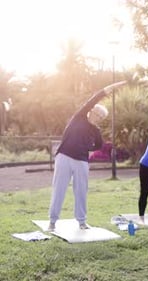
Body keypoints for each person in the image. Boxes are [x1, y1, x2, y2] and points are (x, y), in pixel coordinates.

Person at [48, 81, 127, 231]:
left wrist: (87, 147)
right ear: (90, 111)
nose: (97, 117)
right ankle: (52, 222)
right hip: (64, 156)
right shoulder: (80, 117)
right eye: (96, 113)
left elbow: (99, 145)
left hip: (82, 161)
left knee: (81, 191)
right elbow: (95, 97)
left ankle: (82, 222)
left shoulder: (95, 131)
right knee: (59, 188)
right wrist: (111, 88)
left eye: (101, 117)